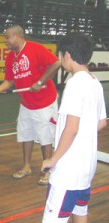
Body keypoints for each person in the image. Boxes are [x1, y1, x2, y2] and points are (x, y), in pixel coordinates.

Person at [41, 33, 107, 223]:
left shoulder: (74, 84)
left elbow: (71, 128)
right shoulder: (94, 82)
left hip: (67, 172)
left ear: (67, 55)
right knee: (80, 212)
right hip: (86, 168)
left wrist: (53, 159)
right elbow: (101, 122)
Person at [0, 25, 61, 185]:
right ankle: (26, 167)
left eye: (7, 37)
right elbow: (10, 81)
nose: (5, 40)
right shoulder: (11, 57)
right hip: (26, 102)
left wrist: (40, 82)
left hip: (44, 101)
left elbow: (56, 63)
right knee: (26, 134)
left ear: (18, 36)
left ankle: (47, 170)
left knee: (45, 137)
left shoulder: (36, 49)